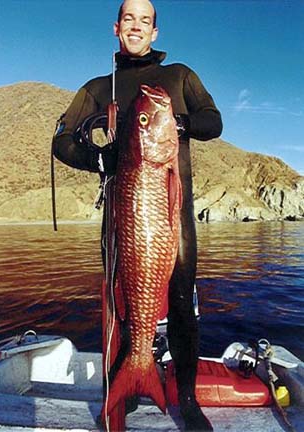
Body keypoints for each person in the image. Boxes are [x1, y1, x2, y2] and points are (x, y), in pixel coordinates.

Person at [53, 1, 222, 430]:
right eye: (129, 18)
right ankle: (128, 384)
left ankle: (186, 398)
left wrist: (177, 126)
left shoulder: (179, 76)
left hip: (172, 215)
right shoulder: (98, 86)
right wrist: (102, 158)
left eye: (144, 20)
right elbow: (63, 141)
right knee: (125, 301)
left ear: (155, 31)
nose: (136, 26)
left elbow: (212, 121)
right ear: (116, 27)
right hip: (123, 217)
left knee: (183, 304)